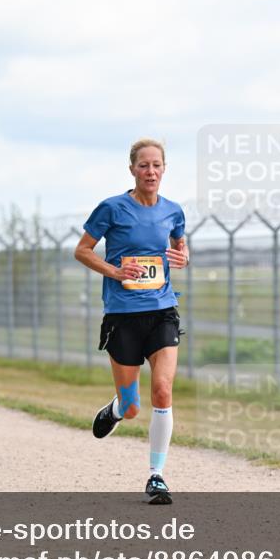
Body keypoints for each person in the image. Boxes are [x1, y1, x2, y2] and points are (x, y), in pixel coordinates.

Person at [74, 139, 189, 505]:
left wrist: (183, 256)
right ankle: (117, 409)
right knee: (134, 404)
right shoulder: (112, 208)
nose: (150, 172)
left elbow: (179, 245)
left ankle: (156, 476)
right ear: (132, 170)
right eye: (144, 166)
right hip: (123, 314)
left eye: (157, 165)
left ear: (164, 169)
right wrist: (115, 270)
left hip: (162, 310)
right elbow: (82, 250)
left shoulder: (174, 211)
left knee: (162, 391)